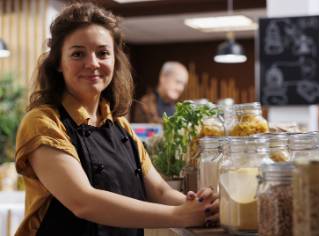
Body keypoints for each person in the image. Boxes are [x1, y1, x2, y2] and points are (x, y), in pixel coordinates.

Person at [14, 3, 218, 236]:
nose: (93, 63)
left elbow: (159, 191)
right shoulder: (42, 122)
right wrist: (178, 215)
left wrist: (201, 207)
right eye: (78, 53)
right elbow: (83, 201)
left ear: (114, 61)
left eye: (103, 53)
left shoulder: (119, 125)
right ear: (59, 63)